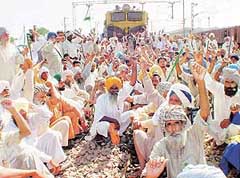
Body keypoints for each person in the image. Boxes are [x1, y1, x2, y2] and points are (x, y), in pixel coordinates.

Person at [144, 62, 210, 178]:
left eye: (176, 123)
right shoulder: (161, 145)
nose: (173, 128)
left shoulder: (194, 134)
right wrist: (150, 176)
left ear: (183, 124)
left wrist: (200, 82)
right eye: (168, 124)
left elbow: (204, 112)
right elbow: (148, 171)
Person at [86, 59, 137, 144]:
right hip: (103, 123)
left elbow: (132, 83)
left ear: (119, 88)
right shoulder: (102, 98)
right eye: (112, 88)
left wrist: (134, 67)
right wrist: (114, 121)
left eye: (116, 88)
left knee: (132, 114)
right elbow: (100, 116)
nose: (114, 90)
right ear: (108, 88)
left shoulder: (120, 95)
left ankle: (120, 133)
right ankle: (106, 137)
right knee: (107, 125)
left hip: (117, 121)